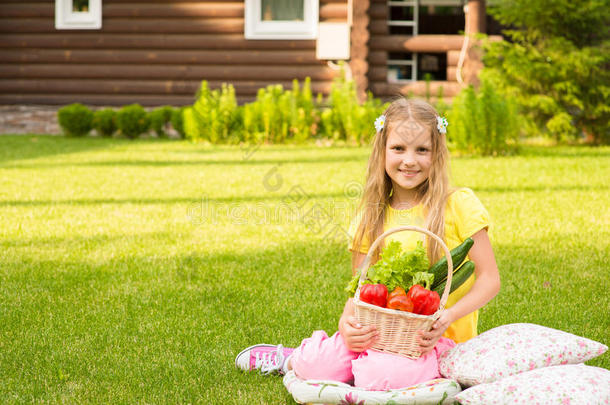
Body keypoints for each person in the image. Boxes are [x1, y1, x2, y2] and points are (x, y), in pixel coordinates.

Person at [235, 97, 501, 390]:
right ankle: (291, 359)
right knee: (316, 365)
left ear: (436, 154)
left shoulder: (458, 204)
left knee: (383, 377)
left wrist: (447, 315)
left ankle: (366, 370)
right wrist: (346, 324)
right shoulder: (370, 215)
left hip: (437, 341)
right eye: (398, 148)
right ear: (382, 150)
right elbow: (360, 289)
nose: (409, 160)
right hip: (380, 333)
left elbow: (490, 279)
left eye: (422, 150)